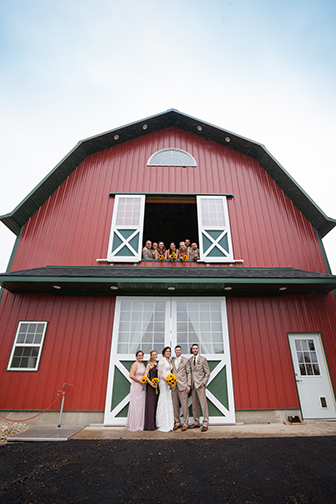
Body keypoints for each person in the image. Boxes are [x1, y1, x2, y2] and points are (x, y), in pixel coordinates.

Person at [188, 344, 211, 432]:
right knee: (194, 405)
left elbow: (207, 372)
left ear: (198, 349)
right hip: (193, 385)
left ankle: (205, 423)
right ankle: (196, 422)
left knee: (203, 404)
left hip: (200, 385)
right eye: (193, 348)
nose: (195, 350)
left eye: (196, 348)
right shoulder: (190, 360)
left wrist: (203, 383)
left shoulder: (203, 359)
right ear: (192, 350)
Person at [125, 350, 146, 431]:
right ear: (136, 356)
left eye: (142, 355)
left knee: (141, 405)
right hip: (137, 386)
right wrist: (139, 381)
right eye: (139, 355)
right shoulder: (135, 364)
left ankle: (140, 424)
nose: (141, 357)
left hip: (142, 387)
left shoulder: (142, 364)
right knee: (136, 405)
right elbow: (131, 375)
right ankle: (134, 424)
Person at [171, 345, 191, 431]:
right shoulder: (172, 361)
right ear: (175, 352)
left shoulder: (186, 360)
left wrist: (189, 385)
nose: (178, 351)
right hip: (174, 386)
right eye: (176, 350)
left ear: (181, 351)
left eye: (179, 350)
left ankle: (185, 423)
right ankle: (177, 422)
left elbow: (188, 373)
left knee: (184, 405)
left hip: (183, 385)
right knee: (175, 405)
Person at [156, 346, 174, 432]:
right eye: (167, 351)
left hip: (169, 382)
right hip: (163, 382)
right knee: (163, 398)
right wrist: (165, 379)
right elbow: (159, 373)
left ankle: (169, 421)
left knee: (168, 398)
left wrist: (171, 380)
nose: (168, 353)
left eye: (169, 351)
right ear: (164, 352)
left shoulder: (169, 361)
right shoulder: (162, 360)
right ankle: (162, 422)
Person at [144, 349, 159, 430]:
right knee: (151, 405)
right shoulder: (149, 364)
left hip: (157, 386)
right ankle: (149, 425)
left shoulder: (158, 364)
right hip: (151, 386)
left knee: (156, 404)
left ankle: (155, 423)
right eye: (153, 355)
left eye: (155, 354)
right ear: (151, 356)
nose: (155, 356)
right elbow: (145, 376)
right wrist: (151, 384)